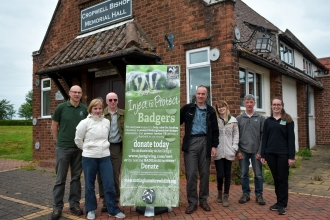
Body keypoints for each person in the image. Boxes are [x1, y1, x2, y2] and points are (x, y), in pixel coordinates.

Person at [75, 98, 126, 219]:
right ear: (91, 109)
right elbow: (78, 140)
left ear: (102, 109)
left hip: (104, 157)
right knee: (89, 185)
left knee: (109, 184)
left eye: (99, 108)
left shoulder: (106, 122)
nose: (98, 111)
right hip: (89, 158)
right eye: (95, 108)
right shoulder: (84, 123)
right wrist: (87, 149)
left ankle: (112, 209)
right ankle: (91, 210)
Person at [180, 85, 219, 214]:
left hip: (205, 142)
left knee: (205, 173)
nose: (201, 96)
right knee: (191, 174)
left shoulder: (211, 111)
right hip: (191, 142)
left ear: (207, 95)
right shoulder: (188, 108)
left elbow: (215, 130)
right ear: (195, 95)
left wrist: (214, 146)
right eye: (198, 93)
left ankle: (203, 200)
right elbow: (175, 121)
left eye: (203, 94)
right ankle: (192, 202)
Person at [50, 85, 88, 220]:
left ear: (81, 94)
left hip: (79, 149)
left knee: (76, 178)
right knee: (60, 179)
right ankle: (57, 207)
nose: (77, 94)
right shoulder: (61, 108)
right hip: (63, 148)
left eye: (79, 92)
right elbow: (54, 125)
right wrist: (58, 142)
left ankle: (74, 204)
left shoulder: (84, 109)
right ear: (69, 93)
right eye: (74, 92)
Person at [261, 97, 295, 215]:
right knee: (276, 178)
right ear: (271, 106)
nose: (276, 106)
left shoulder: (287, 120)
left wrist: (291, 157)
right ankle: (278, 202)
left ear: (282, 106)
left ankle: (282, 204)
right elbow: (264, 138)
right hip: (270, 154)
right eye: (274, 104)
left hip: (283, 154)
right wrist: (263, 154)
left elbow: (291, 139)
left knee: (282, 179)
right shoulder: (268, 121)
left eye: (278, 104)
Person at [236, 94, 266, 205]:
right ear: (243, 104)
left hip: (256, 151)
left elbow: (264, 136)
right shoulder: (239, 119)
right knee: (244, 174)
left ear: (254, 103)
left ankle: (259, 195)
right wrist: (238, 151)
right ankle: (246, 194)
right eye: (247, 102)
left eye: (251, 102)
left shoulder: (261, 118)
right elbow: (235, 136)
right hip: (243, 151)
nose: (249, 104)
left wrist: (260, 152)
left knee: (258, 175)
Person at [97, 92, 124, 212]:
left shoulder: (124, 114)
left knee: (114, 175)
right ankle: (104, 200)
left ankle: (115, 199)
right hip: (102, 147)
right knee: (102, 175)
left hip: (116, 147)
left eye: (115, 100)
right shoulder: (100, 114)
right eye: (110, 100)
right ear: (106, 102)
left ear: (117, 101)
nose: (113, 102)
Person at [213, 100, 239, 207]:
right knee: (220, 175)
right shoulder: (215, 121)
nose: (221, 109)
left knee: (227, 175)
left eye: (223, 107)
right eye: (219, 107)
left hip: (229, 151)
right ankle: (219, 193)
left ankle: (225, 196)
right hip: (218, 151)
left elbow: (236, 135)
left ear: (226, 107)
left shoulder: (233, 120)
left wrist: (234, 148)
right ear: (217, 109)